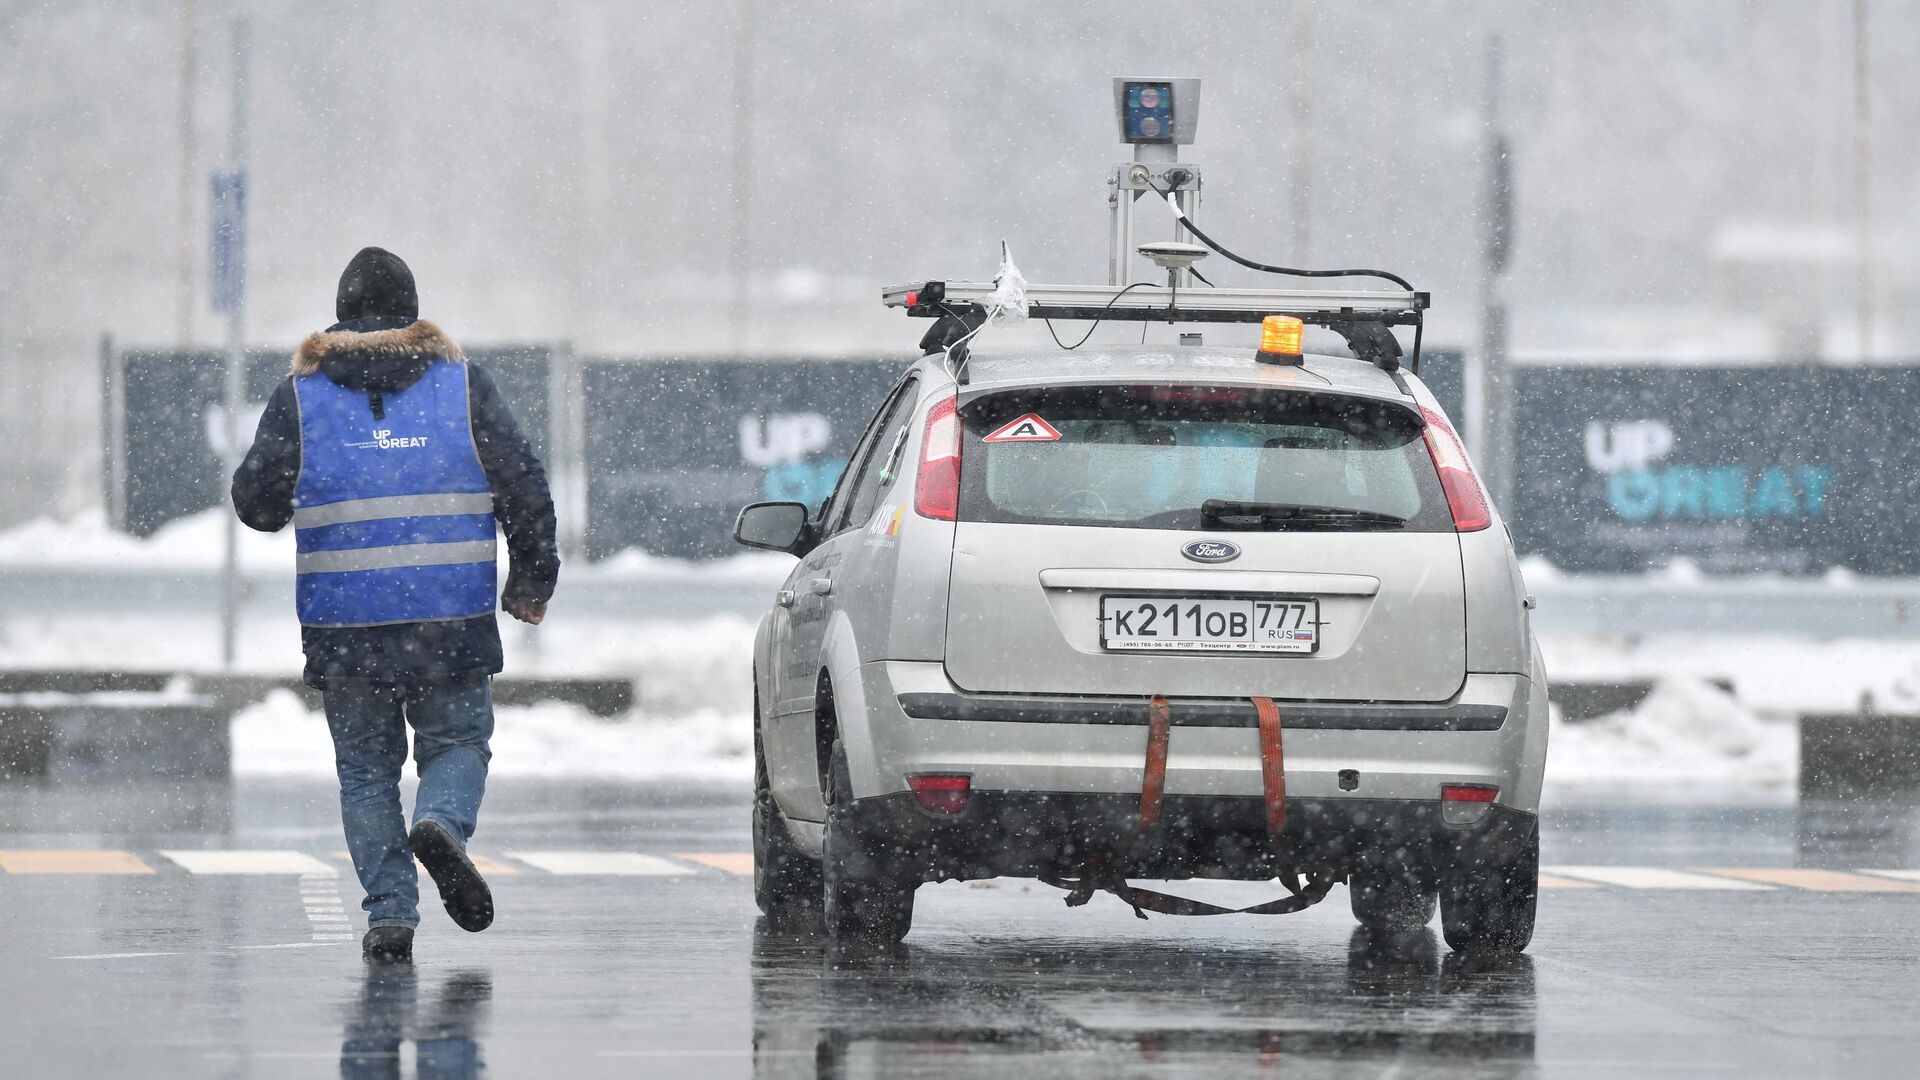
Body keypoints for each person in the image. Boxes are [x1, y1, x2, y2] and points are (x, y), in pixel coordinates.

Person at [232, 247, 559, 963]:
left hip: (345, 626)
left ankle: (389, 915)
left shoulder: (301, 395)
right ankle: (440, 821)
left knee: (366, 771)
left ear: (341, 316)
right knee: (457, 744)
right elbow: (524, 483)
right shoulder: (463, 386)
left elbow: (255, 505)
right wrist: (532, 577)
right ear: (413, 316)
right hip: (449, 618)